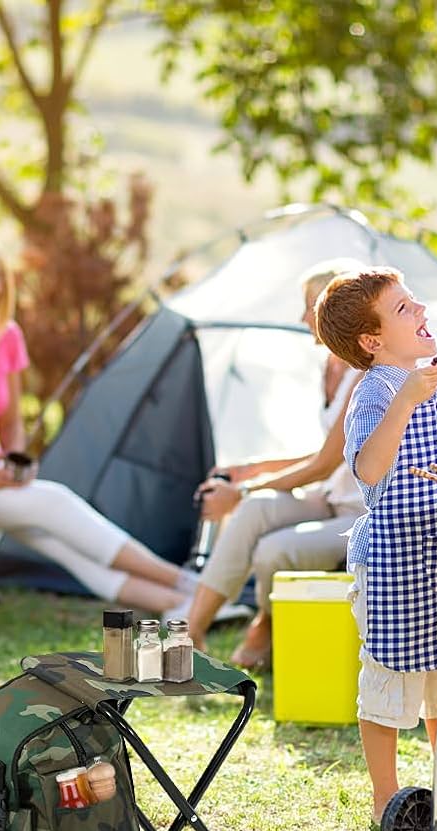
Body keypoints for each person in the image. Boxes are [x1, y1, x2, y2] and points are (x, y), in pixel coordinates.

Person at [0, 231, 197, 616]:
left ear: (0, 285)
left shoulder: (7, 336)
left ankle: (178, 604)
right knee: (52, 502)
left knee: (49, 534)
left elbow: (10, 421)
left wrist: (13, 462)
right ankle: (189, 584)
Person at [315, 266, 437, 827]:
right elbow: (368, 468)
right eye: (403, 309)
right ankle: (386, 797)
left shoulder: (428, 378)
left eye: (416, 303)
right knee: (388, 683)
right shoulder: (374, 392)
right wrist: (404, 404)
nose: (420, 313)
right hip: (394, 561)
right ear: (372, 342)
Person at [183, 259, 367, 666]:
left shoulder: (361, 372)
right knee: (254, 511)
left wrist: (243, 487)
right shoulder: (331, 365)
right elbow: (326, 452)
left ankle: (266, 624)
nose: (303, 317)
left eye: (311, 305)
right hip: (330, 497)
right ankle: (193, 629)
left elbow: (324, 463)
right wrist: (253, 472)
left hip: (360, 513)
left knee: (273, 550)